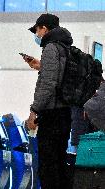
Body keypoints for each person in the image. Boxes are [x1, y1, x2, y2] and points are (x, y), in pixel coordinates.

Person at [26, 14, 73, 189]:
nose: (37, 35)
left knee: (48, 167)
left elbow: (48, 84)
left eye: (37, 30)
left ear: (44, 28)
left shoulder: (51, 48)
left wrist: (34, 110)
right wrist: (41, 65)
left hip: (52, 115)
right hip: (64, 113)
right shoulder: (65, 46)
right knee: (59, 164)